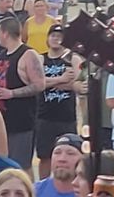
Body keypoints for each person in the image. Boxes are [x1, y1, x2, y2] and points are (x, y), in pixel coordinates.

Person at [0, 17, 44, 171]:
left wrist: (11, 93)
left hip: (20, 125)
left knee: (20, 169)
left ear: (5, 33)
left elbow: (39, 85)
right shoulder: (0, 55)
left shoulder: (28, 54)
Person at [35, 26, 82, 178]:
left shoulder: (73, 59)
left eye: (59, 36)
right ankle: (43, 187)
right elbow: (37, 83)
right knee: (45, 157)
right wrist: (61, 79)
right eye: (53, 35)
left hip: (66, 117)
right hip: (45, 116)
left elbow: (78, 84)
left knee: (70, 155)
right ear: (47, 38)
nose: (56, 39)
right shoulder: (40, 59)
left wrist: (49, 82)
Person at [34, 133, 85, 197]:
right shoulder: (34, 191)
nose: (62, 159)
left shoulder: (87, 196)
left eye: (70, 154)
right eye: (57, 153)